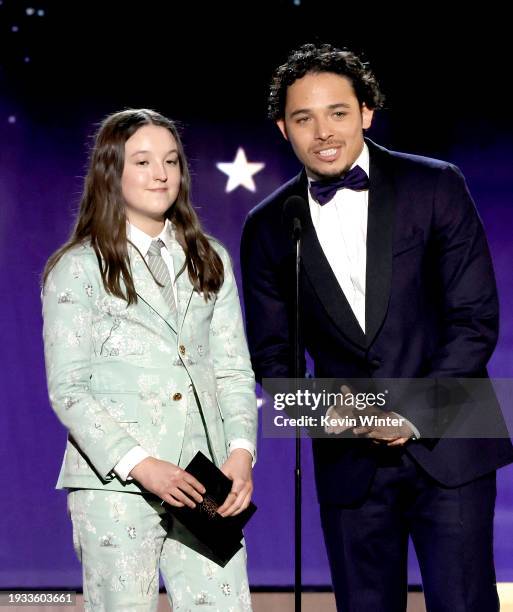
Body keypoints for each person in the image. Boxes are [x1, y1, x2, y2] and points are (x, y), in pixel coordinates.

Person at [240, 44, 513, 611]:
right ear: (282, 129)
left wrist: (410, 411)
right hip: (348, 461)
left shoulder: (436, 184)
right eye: (303, 118)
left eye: (338, 112)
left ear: (366, 111)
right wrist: (337, 415)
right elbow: (273, 360)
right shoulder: (268, 225)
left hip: (452, 441)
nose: (322, 132)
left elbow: (475, 319)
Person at [42, 108, 256, 611]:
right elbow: (69, 390)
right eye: (142, 161)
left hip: (206, 483)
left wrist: (241, 451)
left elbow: (232, 369)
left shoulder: (211, 258)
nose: (161, 174)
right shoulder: (77, 268)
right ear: (111, 172)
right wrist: (141, 464)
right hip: (115, 485)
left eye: (171, 161)